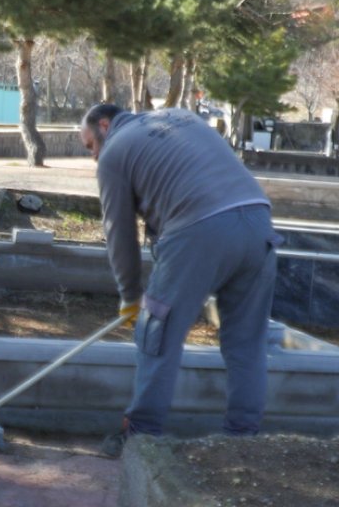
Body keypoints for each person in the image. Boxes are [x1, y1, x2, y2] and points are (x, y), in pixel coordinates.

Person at [80, 104, 281, 458]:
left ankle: (141, 437)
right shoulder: (181, 115)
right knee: (247, 342)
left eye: (89, 146)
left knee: (155, 334)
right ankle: (242, 441)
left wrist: (130, 297)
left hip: (199, 229)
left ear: (104, 125)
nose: (93, 156)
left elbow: (119, 234)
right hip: (259, 222)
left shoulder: (114, 153)